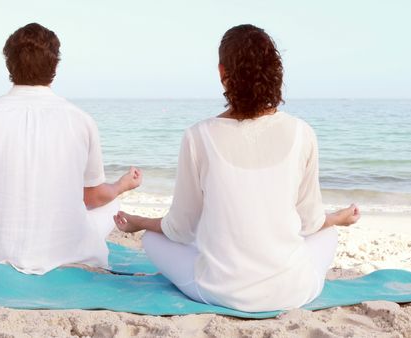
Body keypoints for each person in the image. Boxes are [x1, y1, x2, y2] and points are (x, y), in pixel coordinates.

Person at [113, 24, 360, 312]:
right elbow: (309, 224)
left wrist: (139, 222)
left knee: (152, 240)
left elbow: (180, 230)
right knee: (328, 233)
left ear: (222, 73)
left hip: (219, 292)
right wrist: (337, 218)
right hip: (291, 292)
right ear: (274, 71)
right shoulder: (302, 133)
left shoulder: (198, 136)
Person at [0, 23, 141, 274]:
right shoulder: (81, 120)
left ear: (8, 65)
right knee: (109, 202)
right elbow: (92, 197)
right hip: (65, 250)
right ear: (55, 66)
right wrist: (123, 185)